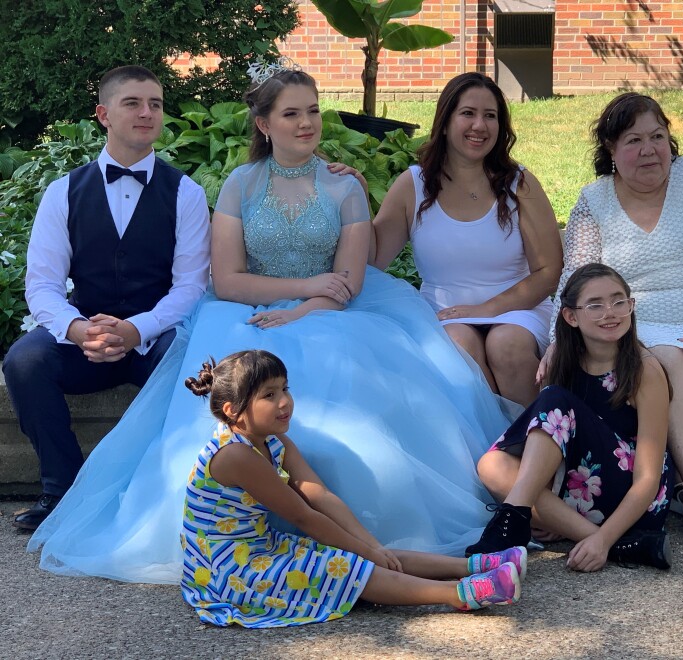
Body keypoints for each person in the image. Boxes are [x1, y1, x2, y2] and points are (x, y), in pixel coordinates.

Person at [29, 65, 514, 583]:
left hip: (337, 317)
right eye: (291, 114)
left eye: (312, 112)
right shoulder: (239, 184)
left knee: (359, 409)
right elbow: (229, 280)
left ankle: (376, 534)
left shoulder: (344, 187)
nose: (306, 123)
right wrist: (302, 292)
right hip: (247, 315)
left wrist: (306, 310)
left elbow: (348, 280)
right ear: (263, 124)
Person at [538, 93, 683, 543]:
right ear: (610, 148)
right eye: (634, 140)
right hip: (633, 318)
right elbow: (577, 275)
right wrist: (557, 340)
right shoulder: (594, 200)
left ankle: (670, 479)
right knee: (668, 359)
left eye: (657, 137)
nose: (649, 150)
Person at [3, 65, 210, 531]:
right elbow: (42, 285)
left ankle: (164, 497)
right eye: (133, 103)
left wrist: (137, 328)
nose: (147, 113)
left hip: (155, 334)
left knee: (185, 366)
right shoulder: (64, 193)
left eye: (155, 104)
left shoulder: (186, 193)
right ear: (103, 114)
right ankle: (62, 491)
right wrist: (79, 330)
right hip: (85, 333)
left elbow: (190, 286)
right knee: (23, 361)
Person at [181, 349, 526, 626]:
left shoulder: (273, 440)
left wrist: (372, 545)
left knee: (371, 554)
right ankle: (459, 593)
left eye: (285, 388)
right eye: (269, 395)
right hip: (227, 569)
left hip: (258, 546)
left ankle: (477, 565)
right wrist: (366, 552)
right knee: (347, 567)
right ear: (233, 411)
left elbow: (318, 493)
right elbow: (303, 516)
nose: (284, 401)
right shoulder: (236, 455)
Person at [372, 72, 562, 407]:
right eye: (468, 114)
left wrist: (488, 309)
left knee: (506, 346)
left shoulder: (520, 183)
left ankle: (543, 445)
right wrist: (355, 194)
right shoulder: (413, 185)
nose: (480, 126)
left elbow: (549, 271)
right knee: (458, 345)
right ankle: (494, 449)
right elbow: (372, 258)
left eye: (491, 116)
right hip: (447, 313)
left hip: (520, 310)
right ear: (445, 122)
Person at [467, 264, 673, 571]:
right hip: (582, 488)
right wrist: (563, 512)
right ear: (570, 316)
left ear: (631, 307)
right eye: (595, 305)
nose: (610, 312)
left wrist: (599, 537)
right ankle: (620, 546)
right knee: (492, 465)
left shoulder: (645, 370)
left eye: (619, 301)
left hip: (633, 497)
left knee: (553, 399)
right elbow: (549, 446)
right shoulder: (564, 362)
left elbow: (648, 478)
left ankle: (512, 519)